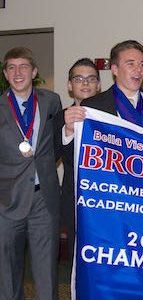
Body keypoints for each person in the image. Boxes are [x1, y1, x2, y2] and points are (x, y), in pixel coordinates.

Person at [0, 47, 62, 300]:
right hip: (6, 200)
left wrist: (45, 166)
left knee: (46, 270)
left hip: (43, 199)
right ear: (5, 74)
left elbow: (58, 140)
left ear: (34, 71)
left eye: (23, 66)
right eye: (11, 67)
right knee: (6, 271)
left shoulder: (51, 101)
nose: (18, 72)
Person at [64, 40, 143, 141]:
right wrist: (70, 131)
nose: (138, 69)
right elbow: (78, 156)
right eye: (131, 64)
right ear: (115, 69)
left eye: (142, 64)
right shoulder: (93, 107)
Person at [54, 58, 100, 264]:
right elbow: (51, 157)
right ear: (69, 85)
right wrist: (68, 130)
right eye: (79, 78)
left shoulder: (112, 118)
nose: (85, 83)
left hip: (108, 199)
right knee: (77, 258)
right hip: (74, 198)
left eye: (91, 79)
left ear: (98, 85)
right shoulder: (59, 117)